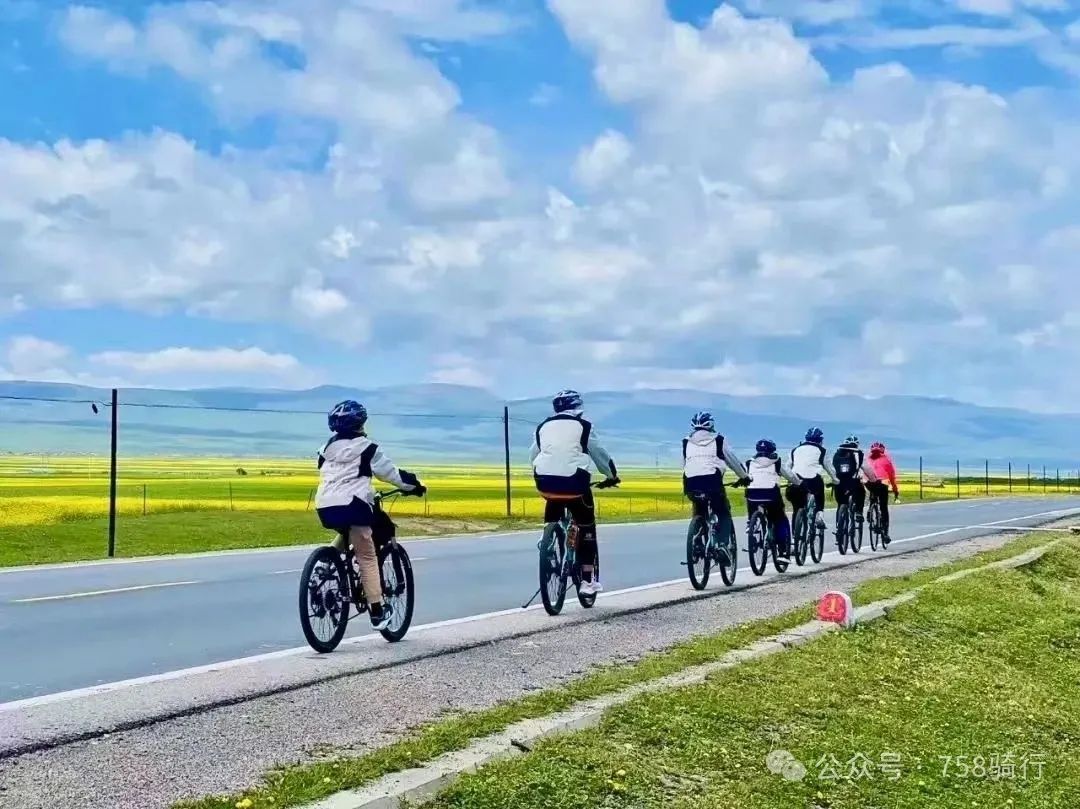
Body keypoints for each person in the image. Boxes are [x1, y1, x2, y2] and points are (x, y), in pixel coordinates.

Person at [315, 400, 425, 630]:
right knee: (366, 554)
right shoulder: (367, 448)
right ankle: (377, 610)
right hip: (354, 504)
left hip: (325, 505)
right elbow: (391, 475)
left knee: (350, 531)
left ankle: (325, 566)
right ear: (361, 422)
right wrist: (414, 485)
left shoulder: (327, 449)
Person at [530, 389, 619, 595]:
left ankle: (548, 537)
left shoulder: (543, 426)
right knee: (587, 527)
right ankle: (588, 581)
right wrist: (612, 476)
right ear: (578, 408)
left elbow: (533, 454)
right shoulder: (584, 426)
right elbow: (600, 455)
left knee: (554, 499)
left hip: (544, 481)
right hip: (575, 485)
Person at [681, 411, 752, 556]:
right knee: (723, 511)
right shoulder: (718, 439)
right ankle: (722, 545)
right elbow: (733, 461)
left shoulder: (686, 441)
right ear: (711, 425)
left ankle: (698, 541)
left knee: (699, 507)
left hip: (690, 482)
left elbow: (684, 464)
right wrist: (744, 476)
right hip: (712, 481)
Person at [744, 439, 802, 557]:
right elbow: (789, 475)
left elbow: (746, 476)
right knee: (780, 518)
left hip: (753, 495)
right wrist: (798, 482)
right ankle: (783, 550)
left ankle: (751, 523)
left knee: (751, 501)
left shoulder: (749, 462)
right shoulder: (776, 461)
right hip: (771, 495)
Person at [789, 427, 839, 529]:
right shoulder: (822, 451)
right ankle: (819, 515)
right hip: (813, 481)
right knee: (819, 494)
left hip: (796, 480)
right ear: (820, 440)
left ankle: (795, 536)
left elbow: (787, 467)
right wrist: (835, 480)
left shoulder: (795, 449)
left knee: (797, 508)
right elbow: (829, 469)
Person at [832, 435, 878, 533]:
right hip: (853, 483)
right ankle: (858, 512)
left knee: (841, 504)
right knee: (861, 491)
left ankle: (838, 528)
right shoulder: (858, 453)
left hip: (839, 483)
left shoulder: (838, 453)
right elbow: (867, 469)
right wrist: (873, 480)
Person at [867, 441, 900, 543]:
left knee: (872, 493)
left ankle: (870, 509)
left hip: (869, 483)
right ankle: (885, 533)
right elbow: (892, 477)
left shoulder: (867, 459)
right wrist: (895, 491)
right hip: (882, 484)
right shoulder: (886, 460)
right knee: (883, 507)